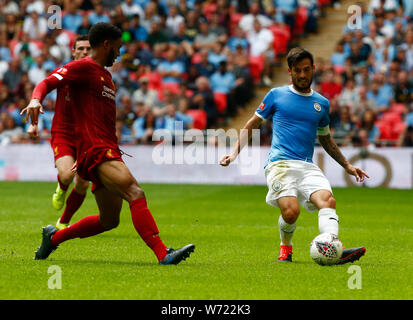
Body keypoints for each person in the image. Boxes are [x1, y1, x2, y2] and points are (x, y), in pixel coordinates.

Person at [22, 23, 195, 265]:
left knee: (110, 220)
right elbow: (48, 82)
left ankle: (54, 238)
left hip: (105, 149)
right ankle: (162, 253)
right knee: (135, 192)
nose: (119, 52)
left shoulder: (106, 75)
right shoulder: (83, 67)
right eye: (117, 47)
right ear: (106, 45)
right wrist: (35, 100)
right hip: (97, 151)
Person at [220, 47, 367, 264]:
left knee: (328, 201)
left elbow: (326, 139)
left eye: (306, 70)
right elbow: (252, 124)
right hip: (280, 164)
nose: (302, 75)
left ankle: (332, 246)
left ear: (313, 69)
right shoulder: (276, 95)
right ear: (290, 71)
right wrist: (234, 154)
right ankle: (286, 247)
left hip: (307, 166)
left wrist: (347, 165)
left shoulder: (322, 104)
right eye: (297, 70)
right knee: (291, 213)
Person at [48, 35, 91, 231]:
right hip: (63, 132)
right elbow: (46, 84)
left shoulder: (97, 77)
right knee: (66, 175)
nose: (84, 52)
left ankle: (64, 221)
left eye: (88, 49)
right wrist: (35, 102)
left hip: (86, 136)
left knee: (82, 183)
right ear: (73, 52)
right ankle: (61, 188)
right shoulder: (63, 73)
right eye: (80, 48)